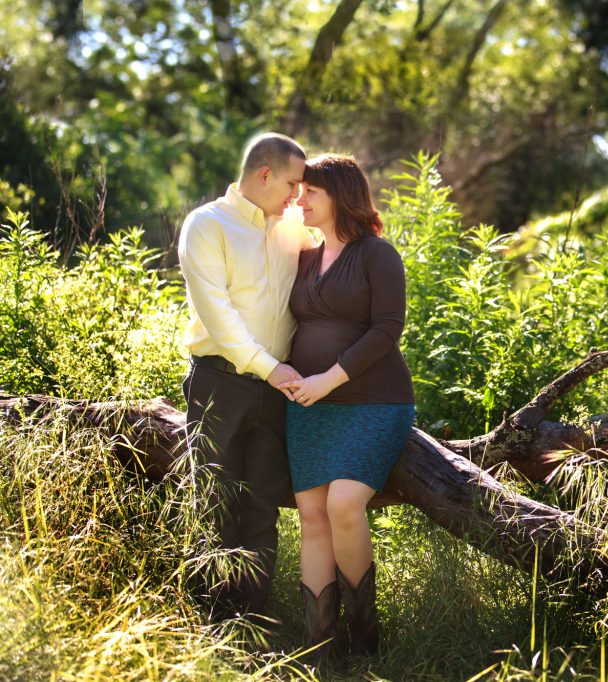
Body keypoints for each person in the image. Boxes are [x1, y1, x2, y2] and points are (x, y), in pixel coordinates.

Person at [279, 154, 415, 659]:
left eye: (310, 192)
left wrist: (328, 380)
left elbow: (388, 328)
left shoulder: (378, 254)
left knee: (342, 504)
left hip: (373, 401)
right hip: (308, 405)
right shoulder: (305, 257)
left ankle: (364, 641)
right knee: (312, 515)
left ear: (339, 194)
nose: (300, 200)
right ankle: (318, 647)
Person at [178, 132, 314, 620]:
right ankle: (209, 620)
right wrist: (272, 369)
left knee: (262, 506)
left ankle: (252, 619)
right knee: (213, 500)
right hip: (220, 382)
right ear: (265, 174)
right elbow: (218, 315)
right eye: (293, 184)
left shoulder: (295, 227)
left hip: (278, 391)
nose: (298, 195)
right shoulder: (207, 225)